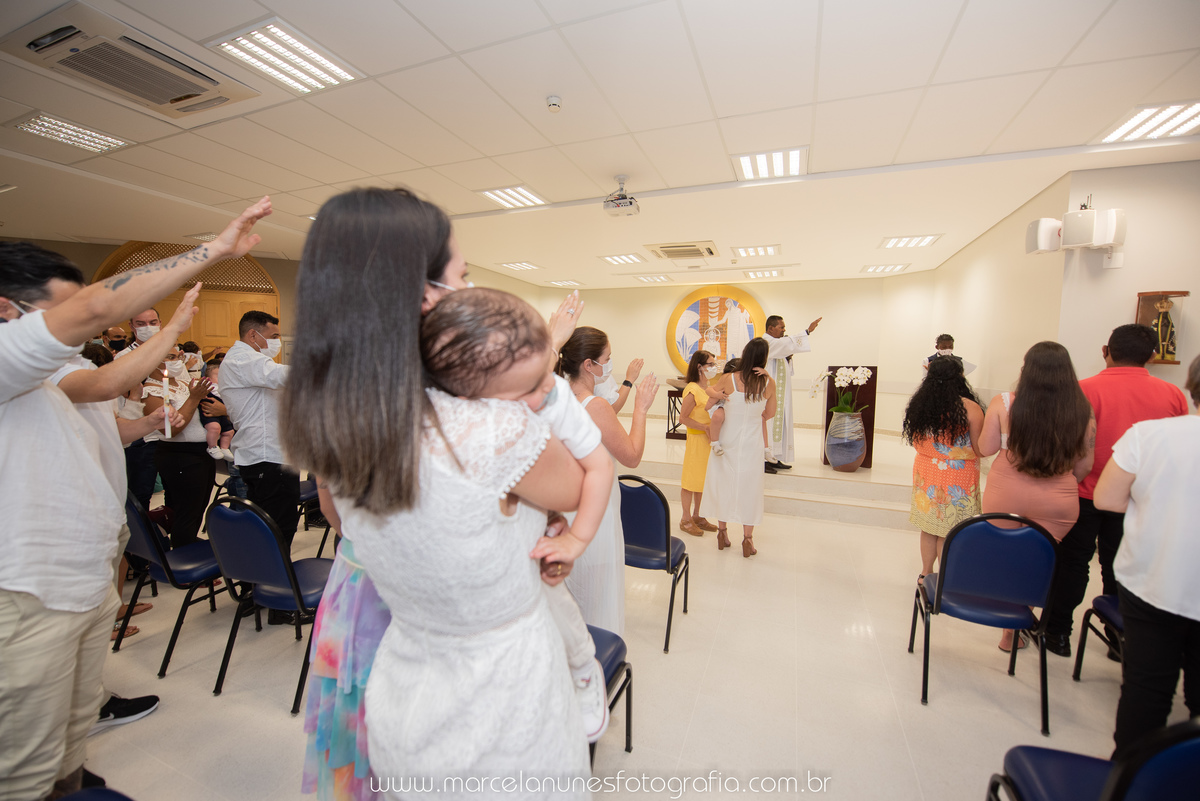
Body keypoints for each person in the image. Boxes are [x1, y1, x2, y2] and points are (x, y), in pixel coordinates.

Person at [281, 187, 590, 798]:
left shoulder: (338, 421)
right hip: (504, 711)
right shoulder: (487, 429)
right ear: (426, 297)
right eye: (464, 277)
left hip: (408, 695)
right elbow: (576, 485)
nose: (471, 294)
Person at [0, 197, 271, 799]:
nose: (90, 319)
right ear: (7, 307)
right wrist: (215, 249)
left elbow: (108, 391)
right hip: (28, 593)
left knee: (66, 743)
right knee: (22, 769)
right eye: (61, 307)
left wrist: (173, 334)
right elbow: (104, 324)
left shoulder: (48, 376)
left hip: (75, 585)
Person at [422, 287, 615, 744]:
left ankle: (584, 670)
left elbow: (600, 467)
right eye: (528, 384)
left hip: (538, 523)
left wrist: (577, 539)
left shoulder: (555, 398)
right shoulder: (477, 410)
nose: (544, 388)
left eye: (545, 374)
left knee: (559, 607)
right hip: (496, 542)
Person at [1044, 324, 1189, 657]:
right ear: (1152, 356)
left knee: (1072, 564)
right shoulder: (1172, 395)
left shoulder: (1081, 390)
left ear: (1105, 350)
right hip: (1136, 500)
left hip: (1082, 491)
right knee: (1120, 567)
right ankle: (1118, 639)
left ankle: (1057, 634)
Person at [1094, 354, 1200, 759]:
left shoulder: (1150, 436)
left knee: (1147, 690)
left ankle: (1132, 779)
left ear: (1191, 384)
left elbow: (1107, 497)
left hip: (1155, 581)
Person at [978, 342, 1096, 652]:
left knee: (1009, 559)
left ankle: (1008, 630)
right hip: (1058, 500)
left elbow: (986, 448)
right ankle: (1022, 621)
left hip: (1006, 493)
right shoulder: (1082, 411)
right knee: (1036, 561)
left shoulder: (1003, 403)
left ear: (1026, 369)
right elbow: (1085, 465)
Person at [559, 326, 658, 635]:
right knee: (595, 598)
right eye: (607, 358)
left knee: (569, 595)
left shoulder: (556, 398)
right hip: (594, 514)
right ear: (588, 365)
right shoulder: (595, 406)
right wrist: (640, 409)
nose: (609, 364)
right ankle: (598, 657)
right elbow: (631, 456)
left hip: (565, 508)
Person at [220, 310, 300, 554]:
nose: (277, 341)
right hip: (268, 458)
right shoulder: (242, 360)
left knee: (269, 526)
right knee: (277, 529)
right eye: (273, 335)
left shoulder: (251, 361)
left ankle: (261, 583)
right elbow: (283, 375)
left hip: (267, 455)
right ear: (253, 334)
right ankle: (270, 586)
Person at [902, 356, 984, 584]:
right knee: (950, 528)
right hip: (959, 474)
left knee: (930, 526)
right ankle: (947, 577)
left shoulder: (922, 404)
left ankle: (926, 573)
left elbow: (916, 440)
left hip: (926, 470)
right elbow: (980, 448)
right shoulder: (971, 408)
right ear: (960, 377)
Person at [699, 338, 776, 557]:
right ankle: (747, 540)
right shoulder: (768, 383)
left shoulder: (727, 379)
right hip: (752, 443)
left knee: (723, 484)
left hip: (726, 440)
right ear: (764, 358)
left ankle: (722, 533)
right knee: (749, 489)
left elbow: (711, 396)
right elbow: (769, 414)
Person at [141, 346, 215, 550]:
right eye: (171, 357)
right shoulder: (151, 391)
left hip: (201, 453)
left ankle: (187, 543)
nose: (178, 360)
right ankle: (186, 557)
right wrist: (194, 398)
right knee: (187, 511)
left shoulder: (183, 383)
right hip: (180, 456)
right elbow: (170, 431)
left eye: (179, 356)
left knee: (198, 507)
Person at [763, 313, 822, 469]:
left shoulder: (777, 345)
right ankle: (764, 460)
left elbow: (787, 369)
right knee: (768, 425)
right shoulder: (766, 343)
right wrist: (807, 331)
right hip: (768, 395)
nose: (784, 330)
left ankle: (776, 456)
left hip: (781, 394)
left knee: (782, 423)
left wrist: (788, 358)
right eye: (781, 327)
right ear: (771, 328)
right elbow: (786, 344)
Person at [677, 350, 721, 536]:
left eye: (713, 363)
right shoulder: (692, 389)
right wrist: (704, 427)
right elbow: (683, 418)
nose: (713, 367)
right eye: (710, 364)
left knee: (702, 480)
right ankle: (685, 518)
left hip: (708, 441)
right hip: (697, 439)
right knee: (690, 481)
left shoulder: (709, 387)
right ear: (699, 367)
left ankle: (698, 516)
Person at [199, 359, 235, 461]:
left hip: (223, 415)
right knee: (214, 428)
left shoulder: (226, 387)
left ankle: (224, 448)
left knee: (229, 431)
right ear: (208, 378)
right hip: (210, 414)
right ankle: (212, 446)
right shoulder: (209, 387)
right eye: (217, 376)